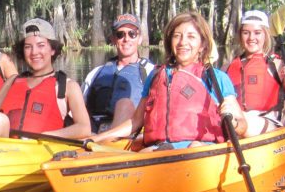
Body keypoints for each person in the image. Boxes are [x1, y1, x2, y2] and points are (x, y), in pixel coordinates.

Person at [96, 10, 245, 149]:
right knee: (146, 153)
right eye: (177, 36)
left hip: (199, 149)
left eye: (191, 37)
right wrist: (98, 138)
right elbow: (135, 122)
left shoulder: (217, 78)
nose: (182, 42)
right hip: (160, 148)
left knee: (194, 148)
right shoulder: (155, 76)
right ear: (170, 41)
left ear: (202, 45)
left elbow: (243, 125)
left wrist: (233, 122)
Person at [0, 18, 92, 140]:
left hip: (41, 151)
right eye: (28, 47)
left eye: (41, 45)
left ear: (52, 49)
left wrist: (45, 136)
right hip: (5, 149)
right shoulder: (12, 81)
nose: (34, 52)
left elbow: (84, 128)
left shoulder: (67, 86)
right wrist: (0, 123)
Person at [224, 9, 285, 137]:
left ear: (265, 35)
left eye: (257, 33)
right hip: (234, 124)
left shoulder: (277, 65)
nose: (251, 38)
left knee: (240, 120)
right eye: (246, 33)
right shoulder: (227, 67)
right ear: (240, 35)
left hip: (269, 125)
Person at [82, 13, 155, 132]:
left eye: (132, 34)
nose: (126, 39)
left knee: (124, 105)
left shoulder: (151, 72)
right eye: (120, 34)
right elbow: (80, 106)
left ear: (140, 39)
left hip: (128, 133)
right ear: (113, 39)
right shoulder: (96, 73)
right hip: (93, 131)